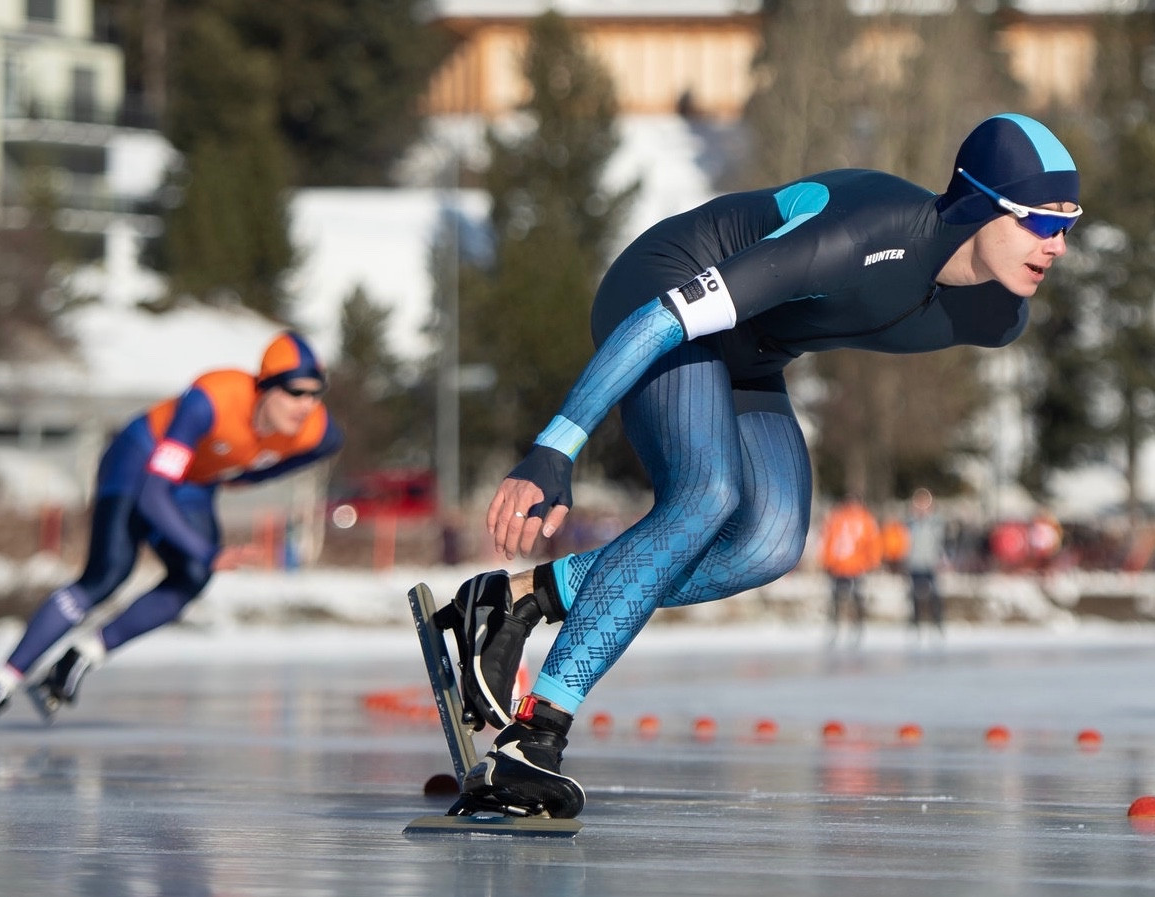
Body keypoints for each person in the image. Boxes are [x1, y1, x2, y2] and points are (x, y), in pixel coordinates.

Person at [441, 112, 1081, 818]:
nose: (1056, 246)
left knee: (772, 541)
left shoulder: (997, 313)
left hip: (753, 353)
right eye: (1038, 222)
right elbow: (663, 319)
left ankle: (520, 597)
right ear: (976, 203)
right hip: (663, 291)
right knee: (707, 494)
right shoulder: (861, 234)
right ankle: (536, 737)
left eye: (1067, 224)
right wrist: (554, 446)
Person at [0, 330, 344, 731]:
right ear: (265, 387)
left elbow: (325, 447)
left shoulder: (316, 431)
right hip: (138, 463)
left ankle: (82, 655)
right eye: (295, 392)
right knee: (108, 574)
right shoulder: (210, 400)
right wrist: (207, 551)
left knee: (192, 579)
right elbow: (153, 494)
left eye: (315, 394)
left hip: (192, 482)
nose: (306, 406)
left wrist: (251, 479)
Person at [817, 495, 882, 644]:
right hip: (838, 567)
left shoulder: (865, 519)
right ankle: (834, 629)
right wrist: (827, 561)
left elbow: (873, 542)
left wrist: (872, 562)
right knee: (836, 600)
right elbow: (828, 540)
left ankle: (857, 629)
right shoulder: (836, 518)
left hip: (856, 567)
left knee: (855, 599)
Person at [904, 488, 946, 638]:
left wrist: (940, 559)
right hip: (915, 562)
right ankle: (915, 622)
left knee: (934, 594)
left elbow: (940, 541)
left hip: (930, 562)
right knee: (914, 594)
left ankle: (938, 622)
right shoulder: (910, 523)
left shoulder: (935, 522)